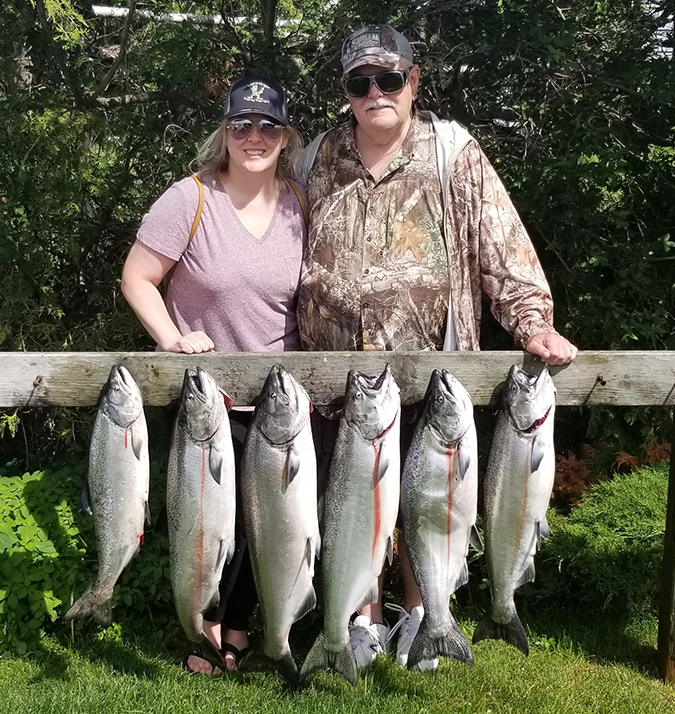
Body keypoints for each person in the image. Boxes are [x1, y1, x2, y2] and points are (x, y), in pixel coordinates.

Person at [295, 25, 578, 671]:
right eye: (359, 82)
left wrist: (531, 321)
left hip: (434, 372)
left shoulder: (453, 151)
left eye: (388, 79)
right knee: (351, 507)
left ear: (413, 80)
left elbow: (502, 245)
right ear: (346, 91)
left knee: (428, 501)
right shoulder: (315, 157)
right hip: (339, 381)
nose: (375, 92)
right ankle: (361, 623)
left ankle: (424, 620)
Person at [121, 75, 306, 675]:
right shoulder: (190, 198)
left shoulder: (300, 201)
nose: (254, 137)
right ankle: (202, 629)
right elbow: (137, 278)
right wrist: (172, 339)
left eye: (267, 127)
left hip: (281, 401)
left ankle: (245, 628)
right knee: (208, 525)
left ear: (285, 136)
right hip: (207, 400)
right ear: (224, 133)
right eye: (241, 126)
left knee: (267, 529)